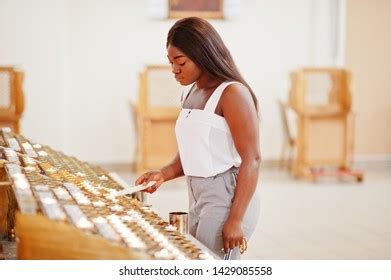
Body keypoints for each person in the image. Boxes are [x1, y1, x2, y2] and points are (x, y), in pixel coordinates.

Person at [135, 17, 260, 260]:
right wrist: (164, 173)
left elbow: (252, 159)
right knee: (193, 261)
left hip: (228, 196)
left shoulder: (232, 93)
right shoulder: (191, 93)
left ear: (203, 54)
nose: (174, 69)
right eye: (171, 62)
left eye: (180, 62)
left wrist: (236, 220)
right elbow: (195, 152)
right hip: (197, 194)